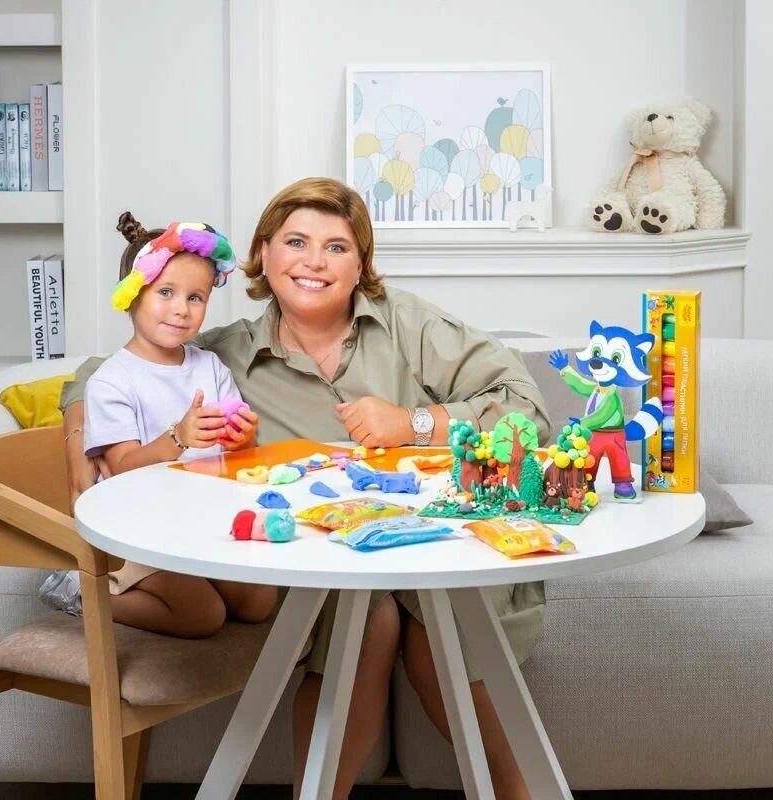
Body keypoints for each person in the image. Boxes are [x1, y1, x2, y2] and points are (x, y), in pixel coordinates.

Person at [61, 179, 551, 799]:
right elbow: (107, 368)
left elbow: (526, 409)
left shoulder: (408, 325)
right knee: (362, 617)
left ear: (360, 264)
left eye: (336, 247)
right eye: (295, 242)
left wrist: (415, 423)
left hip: (440, 538)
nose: (314, 261)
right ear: (263, 255)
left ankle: (517, 792)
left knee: (443, 629)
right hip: (331, 558)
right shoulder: (227, 355)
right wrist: (79, 436)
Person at [47, 213, 277, 637]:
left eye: (196, 297)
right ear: (132, 295)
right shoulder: (112, 381)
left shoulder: (210, 367)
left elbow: (235, 456)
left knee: (259, 601)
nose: (181, 309)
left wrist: (242, 438)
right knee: (202, 616)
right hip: (140, 529)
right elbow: (121, 468)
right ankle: (82, 594)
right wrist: (177, 436)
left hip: (202, 520)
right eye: (165, 292)